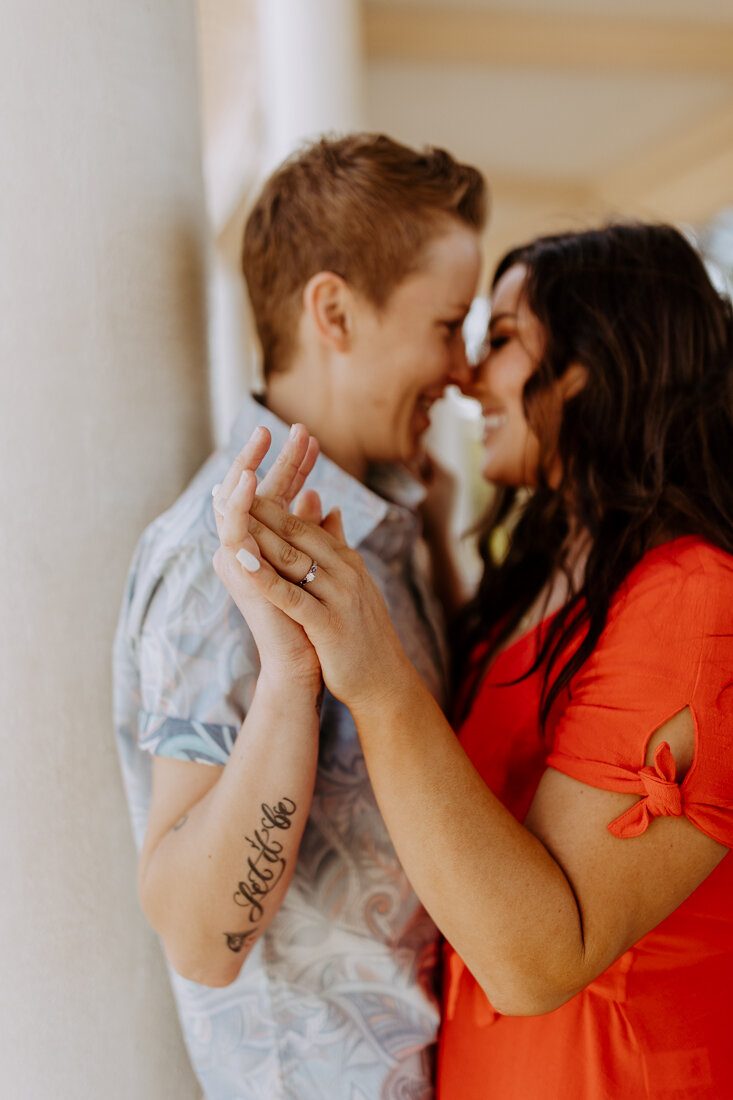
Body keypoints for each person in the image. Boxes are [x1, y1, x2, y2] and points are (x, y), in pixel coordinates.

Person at [213, 222, 733, 1098]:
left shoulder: (694, 597)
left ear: (593, 363)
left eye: (497, 341)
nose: (465, 376)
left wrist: (373, 671)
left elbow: (537, 961)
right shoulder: (552, 566)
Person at [113, 132, 486, 1099]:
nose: (463, 369)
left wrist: (434, 538)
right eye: (447, 325)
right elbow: (202, 939)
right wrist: (290, 676)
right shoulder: (215, 559)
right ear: (334, 312)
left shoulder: (388, 527)